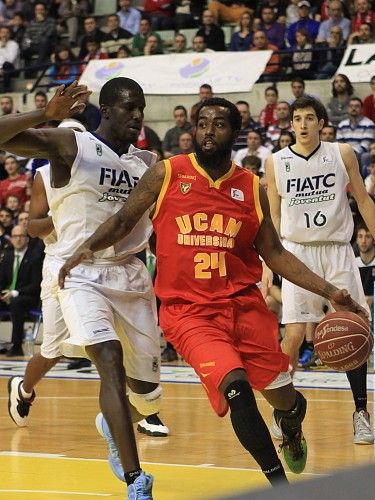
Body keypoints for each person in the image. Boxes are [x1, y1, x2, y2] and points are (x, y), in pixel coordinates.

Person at [59, 96, 367, 487]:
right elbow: (124, 218)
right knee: (236, 388)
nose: (207, 131)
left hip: (245, 307)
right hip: (190, 313)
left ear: (235, 133)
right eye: (202, 123)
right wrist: (87, 247)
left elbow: (274, 253)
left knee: (290, 402)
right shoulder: (167, 173)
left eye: (219, 124)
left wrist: (332, 292)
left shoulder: (251, 187)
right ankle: (279, 485)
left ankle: (290, 427)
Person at [2, 78, 164, 499]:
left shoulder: (148, 163)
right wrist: (44, 114)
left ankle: (113, 422)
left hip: (131, 273)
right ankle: (136, 481)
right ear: (105, 110)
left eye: (141, 108)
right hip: (79, 272)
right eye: (128, 107)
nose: (137, 115)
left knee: (148, 396)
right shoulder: (71, 145)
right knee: (105, 359)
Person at [266, 95, 375, 445]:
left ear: (321, 122)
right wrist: (271, 262)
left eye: (309, 118)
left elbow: (362, 198)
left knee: (353, 328)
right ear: (290, 124)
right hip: (297, 253)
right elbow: (274, 216)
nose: (302, 124)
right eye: (296, 118)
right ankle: (283, 411)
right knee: (294, 335)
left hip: (337, 250)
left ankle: (361, 412)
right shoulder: (276, 161)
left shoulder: (342, 153)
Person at [0, 224, 43, 356]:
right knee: (13, 300)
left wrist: (14, 292)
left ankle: (17, 345)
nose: (18, 239)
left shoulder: (35, 257)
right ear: (11, 239)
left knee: (16, 302)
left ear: (27, 239)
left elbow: (36, 284)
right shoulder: (7, 257)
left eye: (21, 236)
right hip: (9, 295)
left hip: (29, 297)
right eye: (15, 236)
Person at [355, 221, 375, 312]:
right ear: (356, 240)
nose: (363, 241)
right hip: (360, 308)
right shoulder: (352, 264)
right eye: (360, 236)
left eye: (368, 236)